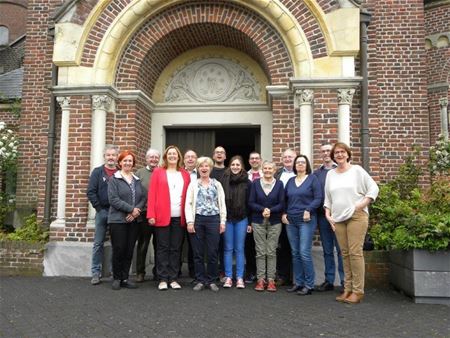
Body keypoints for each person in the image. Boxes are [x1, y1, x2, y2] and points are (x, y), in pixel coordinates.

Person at [324, 142, 379, 304]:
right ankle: (347, 289)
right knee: (344, 253)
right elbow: (328, 197)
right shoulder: (331, 174)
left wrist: (361, 205)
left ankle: (358, 291)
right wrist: (328, 213)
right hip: (338, 218)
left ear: (348, 154)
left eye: (342, 152)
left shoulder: (357, 171)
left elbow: (373, 188)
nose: (339, 155)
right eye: (336, 153)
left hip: (356, 216)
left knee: (355, 253)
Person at [147, 145, 191, 290]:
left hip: (179, 216)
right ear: (166, 157)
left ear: (179, 157)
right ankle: (162, 278)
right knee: (162, 248)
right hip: (161, 216)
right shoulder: (158, 172)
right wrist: (151, 214)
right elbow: (152, 195)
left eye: (175, 154)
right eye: (170, 154)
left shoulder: (185, 174)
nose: (172, 156)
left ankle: (173, 278)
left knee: (176, 248)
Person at [185, 157, 227, 292]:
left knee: (213, 252)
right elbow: (188, 203)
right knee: (197, 252)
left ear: (210, 168)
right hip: (198, 220)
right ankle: (200, 280)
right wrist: (190, 221)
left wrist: (222, 221)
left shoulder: (217, 184)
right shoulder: (193, 184)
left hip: (214, 220)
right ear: (198, 169)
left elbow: (222, 204)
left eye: (206, 166)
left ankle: (212, 280)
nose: (204, 168)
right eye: (201, 166)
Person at [282, 154, 322, 296]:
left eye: (302, 162)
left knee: (304, 252)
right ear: (294, 165)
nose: (300, 164)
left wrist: (308, 209)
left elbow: (318, 198)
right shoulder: (291, 181)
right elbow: (285, 199)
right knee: (295, 253)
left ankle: (309, 285)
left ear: (307, 165)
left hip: (306, 220)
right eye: (297, 162)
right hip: (291, 221)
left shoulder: (313, 179)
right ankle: (298, 283)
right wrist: (284, 213)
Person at [108, 150, 147, 290]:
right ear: (120, 163)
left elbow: (143, 197)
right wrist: (131, 209)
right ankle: (117, 278)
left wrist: (136, 211)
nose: (127, 163)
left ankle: (125, 278)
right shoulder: (114, 179)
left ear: (133, 164)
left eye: (130, 161)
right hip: (118, 220)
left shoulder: (136, 180)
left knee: (129, 250)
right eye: (125, 160)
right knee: (119, 249)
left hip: (134, 221)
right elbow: (113, 199)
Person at [248, 160, 285, 292]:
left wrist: (271, 211)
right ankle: (260, 279)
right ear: (262, 170)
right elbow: (251, 202)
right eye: (266, 168)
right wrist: (263, 209)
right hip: (258, 220)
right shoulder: (255, 184)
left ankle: (270, 280)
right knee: (260, 251)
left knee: (271, 251)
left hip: (275, 221)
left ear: (275, 170)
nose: (268, 170)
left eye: (270, 168)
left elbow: (282, 203)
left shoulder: (279, 184)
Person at [314, 144, 344, 292]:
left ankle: (345, 281)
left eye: (328, 151)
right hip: (322, 216)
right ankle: (329, 280)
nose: (326, 153)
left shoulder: (340, 170)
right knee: (327, 250)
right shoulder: (316, 174)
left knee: (341, 249)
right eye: (323, 151)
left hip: (339, 216)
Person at [87, 144, 119, 285]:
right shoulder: (97, 172)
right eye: (108, 155)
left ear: (117, 157)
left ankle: (114, 272)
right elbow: (91, 192)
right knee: (98, 243)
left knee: (116, 244)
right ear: (104, 156)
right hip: (102, 212)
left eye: (113, 155)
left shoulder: (120, 173)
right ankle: (95, 272)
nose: (111, 157)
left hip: (117, 213)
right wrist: (99, 209)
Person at [222, 155, 252, 289]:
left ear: (242, 167)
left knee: (239, 249)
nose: (235, 167)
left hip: (242, 218)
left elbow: (250, 203)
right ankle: (228, 277)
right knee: (228, 248)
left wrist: (250, 222)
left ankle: (240, 277)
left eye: (238, 165)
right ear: (230, 166)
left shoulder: (247, 182)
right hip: (227, 218)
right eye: (233, 164)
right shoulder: (223, 180)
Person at [135, 148, 160, 283]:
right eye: (151, 157)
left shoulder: (162, 172)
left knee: (159, 244)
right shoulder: (140, 173)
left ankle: (158, 272)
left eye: (156, 157)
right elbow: (136, 192)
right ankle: (140, 272)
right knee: (143, 244)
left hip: (160, 214)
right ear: (146, 159)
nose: (153, 159)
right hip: (144, 214)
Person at [274, 148, 297, 286]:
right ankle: (283, 276)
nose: (288, 159)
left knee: (297, 247)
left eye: (291, 157)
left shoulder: (303, 173)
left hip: (297, 214)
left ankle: (297, 278)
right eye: (285, 157)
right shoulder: (278, 174)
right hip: (281, 215)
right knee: (283, 246)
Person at [244, 151, 262, 284]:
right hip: (249, 214)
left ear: (260, 160)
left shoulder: (267, 173)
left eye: (257, 158)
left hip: (265, 214)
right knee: (249, 245)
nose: (254, 160)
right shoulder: (245, 176)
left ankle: (264, 273)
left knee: (264, 246)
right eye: (252, 158)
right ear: (249, 161)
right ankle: (251, 272)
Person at [211, 146, 227, 280]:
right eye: (217, 153)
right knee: (212, 244)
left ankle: (222, 271)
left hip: (226, 212)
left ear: (225, 156)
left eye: (222, 153)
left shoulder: (229, 171)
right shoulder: (208, 171)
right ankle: (212, 271)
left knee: (223, 244)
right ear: (213, 156)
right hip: (210, 214)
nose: (219, 155)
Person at [182, 149, 198, 279]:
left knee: (194, 245)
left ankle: (194, 271)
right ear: (184, 160)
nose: (190, 159)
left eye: (193, 157)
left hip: (195, 213)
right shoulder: (178, 173)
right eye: (188, 157)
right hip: (178, 213)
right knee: (177, 243)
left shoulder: (201, 173)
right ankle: (176, 270)